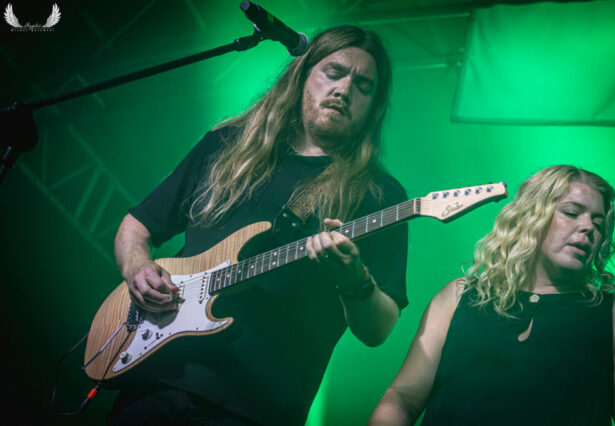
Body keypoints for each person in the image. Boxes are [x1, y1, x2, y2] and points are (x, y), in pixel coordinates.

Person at [109, 25, 408, 425]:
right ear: (303, 74)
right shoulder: (228, 143)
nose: (344, 90)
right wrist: (137, 267)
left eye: (363, 85)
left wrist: (355, 279)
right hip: (155, 379)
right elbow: (137, 224)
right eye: (333, 73)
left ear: (374, 106)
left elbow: (378, 330)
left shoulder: (378, 194)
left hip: (256, 408)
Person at [369, 165, 615, 426]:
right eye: (571, 213)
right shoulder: (458, 296)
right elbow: (402, 398)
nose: (589, 227)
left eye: (598, 223)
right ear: (531, 216)